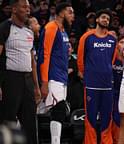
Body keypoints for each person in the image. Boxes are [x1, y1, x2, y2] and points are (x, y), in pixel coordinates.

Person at [0, 0, 40, 143]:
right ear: (14, 9)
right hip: (11, 79)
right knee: (8, 121)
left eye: (29, 7)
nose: (28, 10)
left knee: (30, 121)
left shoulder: (29, 31)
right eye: (24, 7)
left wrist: (36, 87)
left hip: (27, 80)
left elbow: (32, 61)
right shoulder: (5, 27)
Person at [77, 9, 117, 144]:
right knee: (91, 118)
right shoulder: (87, 37)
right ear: (97, 20)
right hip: (91, 84)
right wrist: (84, 73)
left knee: (107, 117)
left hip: (107, 84)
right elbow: (80, 58)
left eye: (108, 19)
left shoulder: (112, 39)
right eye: (103, 17)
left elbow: (112, 60)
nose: (106, 20)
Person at [37, 2, 74, 144]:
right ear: (61, 13)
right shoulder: (51, 27)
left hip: (61, 77)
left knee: (55, 110)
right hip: (52, 77)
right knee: (58, 110)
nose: (73, 16)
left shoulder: (63, 30)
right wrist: (44, 82)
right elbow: (44, 55)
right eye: (70, 12)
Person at [112, 35, 124, 144]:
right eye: (122, 42)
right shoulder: (111, 59)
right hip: (114, 93)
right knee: (116, 119)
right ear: (117, 44)